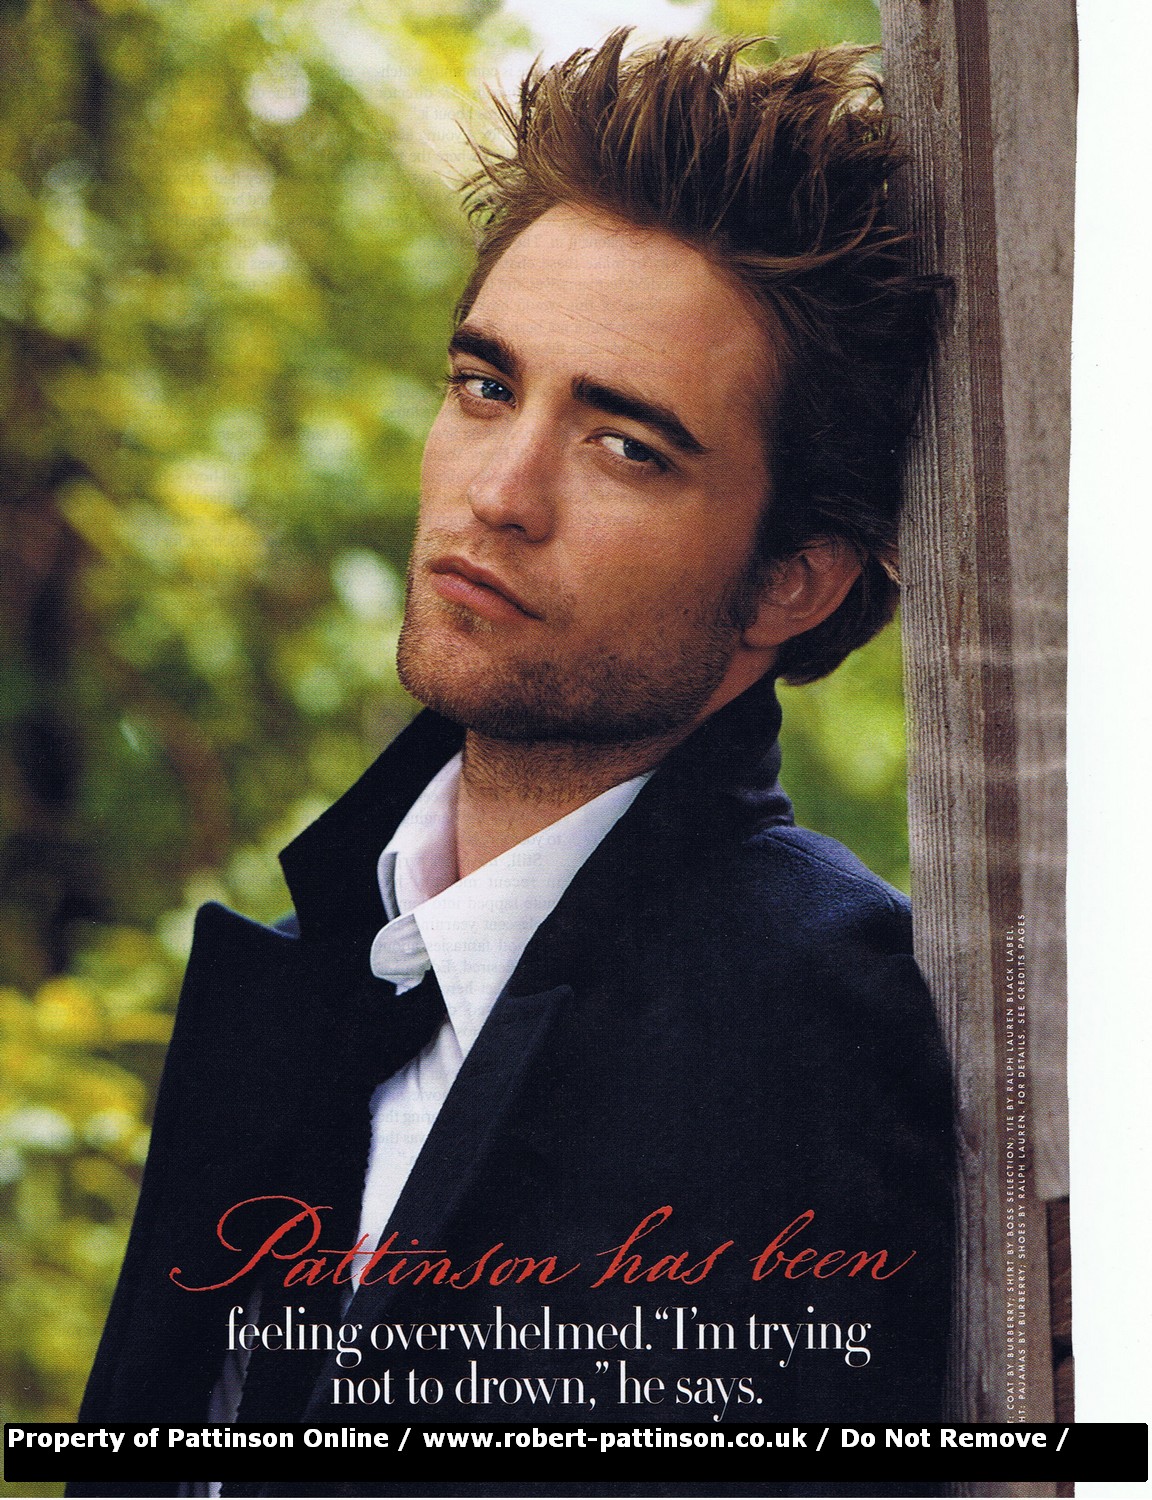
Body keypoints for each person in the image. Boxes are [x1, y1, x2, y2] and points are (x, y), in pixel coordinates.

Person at [75, 29, 954, 1485]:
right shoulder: (325, 968)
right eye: (487, 386)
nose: (500, 492)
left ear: (792, 580)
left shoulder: (810, 1021)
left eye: (626, 447)